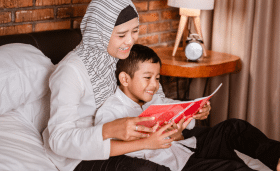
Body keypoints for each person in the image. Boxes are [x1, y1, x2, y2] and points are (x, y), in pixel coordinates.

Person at [42, 0, 210, 171]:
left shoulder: (121, 56)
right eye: (121, 35)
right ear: (100, 33)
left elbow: (154, 99)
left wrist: (187, 111)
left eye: (135, 31)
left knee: (221, 137)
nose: (130, 41)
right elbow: (59, 140)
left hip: (129, 144)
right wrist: (108, 130)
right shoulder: (70, 72)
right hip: (79, 158)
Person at [95, 44, 280, 171]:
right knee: (234, 168)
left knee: (234, 127)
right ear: (125, 79)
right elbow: (103, 149)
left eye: (157, 78)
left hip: (187, 147)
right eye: (147, 78)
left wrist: (196, 111)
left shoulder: (152, 99)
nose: (154, 85)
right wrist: (151, 141)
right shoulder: (111, 111)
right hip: (177, 164)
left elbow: (177, 109)